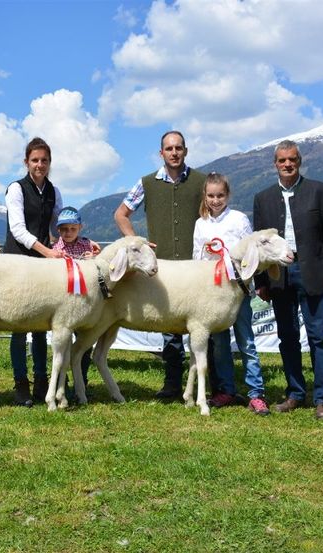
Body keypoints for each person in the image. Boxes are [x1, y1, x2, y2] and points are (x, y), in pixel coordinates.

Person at [253, 140, 323, 420]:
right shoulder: (263, 198)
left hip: (315, 273)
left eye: (292, 159)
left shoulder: (321, 192)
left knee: (319, 338)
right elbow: (259, 243)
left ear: (299, 161)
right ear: (275, 164)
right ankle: (294, 393)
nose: (287, 164)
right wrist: (261, 281)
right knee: (287, 337)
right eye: (282, 160)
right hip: (279, 276)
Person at [114, 130, 205, 400]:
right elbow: (121, 214)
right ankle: (172, 384)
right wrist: (137, 243)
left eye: (178, 148)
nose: (174, 152)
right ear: (161, 153)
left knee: (201, 327)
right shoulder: (146, 183)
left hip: (195, 266)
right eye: (169, 148)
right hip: (162, 266)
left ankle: (206, 384)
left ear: (185, 151)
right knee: (170, 328)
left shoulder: (201, 182)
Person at [192, 173, 270, 415]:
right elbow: (197, 257)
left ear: (228, 195)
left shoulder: (239, 219)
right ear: (205, 196)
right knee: (220, 343)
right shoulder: (200, 223)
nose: (216, 200)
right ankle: (226, 389)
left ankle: (256, 393)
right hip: (213, 294)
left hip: (239, 290)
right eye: (211, 196)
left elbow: (251, 251)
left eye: (220, 195)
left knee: (246, 340)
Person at [4, 137, 64, 407]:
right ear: (26, 162)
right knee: (18, 326)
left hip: (42, 265)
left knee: (41, 325)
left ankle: (41, 381)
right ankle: (21, 385)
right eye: (35, 160)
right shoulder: (16, 189)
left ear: (50, 163)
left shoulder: (54, 191)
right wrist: (48, 251)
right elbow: (18, 230)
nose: (40, 165)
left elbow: (61, 225)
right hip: (18, 264)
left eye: (44, 160)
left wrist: (78, 243)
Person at [52, 206, 98, 393]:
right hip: (62, 304)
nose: (68, 232)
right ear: (58, 230)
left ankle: (82, 379)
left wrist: (93, 259)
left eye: (72, 229)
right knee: (62, 344)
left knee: (84, 343)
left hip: (84, 303)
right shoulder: (55, 250)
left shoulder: (88, 246)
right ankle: (62, 381)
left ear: (80, 228)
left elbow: (97, 271)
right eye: (64, 229)